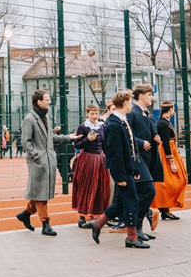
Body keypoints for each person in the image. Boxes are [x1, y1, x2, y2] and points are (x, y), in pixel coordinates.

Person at [88, 90, 150, 249]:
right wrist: (120, 175)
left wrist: (134, 168)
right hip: (121, 171)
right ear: (124, 103)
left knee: (121, 203)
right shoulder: (114, 124)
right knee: (132, 202)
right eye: (130, 101)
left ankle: (98, 224)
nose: (131, 104)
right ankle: (131, 237)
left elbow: (130, 148)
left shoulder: (122, 121)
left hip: (128, 169)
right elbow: (113, 153)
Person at [16, 90, 78, 237]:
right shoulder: (29, 119)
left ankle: (25, 214)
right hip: (39, 162)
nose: (49, 102)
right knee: (41, 194)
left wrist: (69, 137)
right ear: (39, 102)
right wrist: (37, 156)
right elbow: (26, 142)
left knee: (40, 191)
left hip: (48, 161)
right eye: (47, 99)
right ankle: (46, 223)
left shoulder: (45, 118)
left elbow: (52, 138)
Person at [126, 83, 160, 236]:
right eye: (149, 94)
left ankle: (136, 228)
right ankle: (136, 226)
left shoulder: (145, 113)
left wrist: (154, 138)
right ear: (141, 96)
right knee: (148, 191)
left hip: (146, 158)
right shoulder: (133, 112)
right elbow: (127, 133)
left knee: (133, 196)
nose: (151, 97)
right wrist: (141, 142)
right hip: (137, 158)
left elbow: (146, 131)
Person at [70, 105, 110, 228]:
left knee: (102, 187)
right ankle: (81, 217)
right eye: (92, 113)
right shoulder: (83, 127)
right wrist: (88, 139)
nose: (94, 116)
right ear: (87, 114)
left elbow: (104, 144)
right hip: (87, 158)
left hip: (100, 159)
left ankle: (102, 216)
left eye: (96, 113)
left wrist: (107, 158)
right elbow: (77, 145)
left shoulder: (102, 126)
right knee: (86, 185)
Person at [154, 101, 187, 220]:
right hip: (167, 152)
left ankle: (166, 209)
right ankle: (164, 207)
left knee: (170, 181)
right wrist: (171, 161)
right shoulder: (163, 124)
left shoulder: (165, 122)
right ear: (170, 109)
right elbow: (166, 143)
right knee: (172, 181)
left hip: (170, 150)